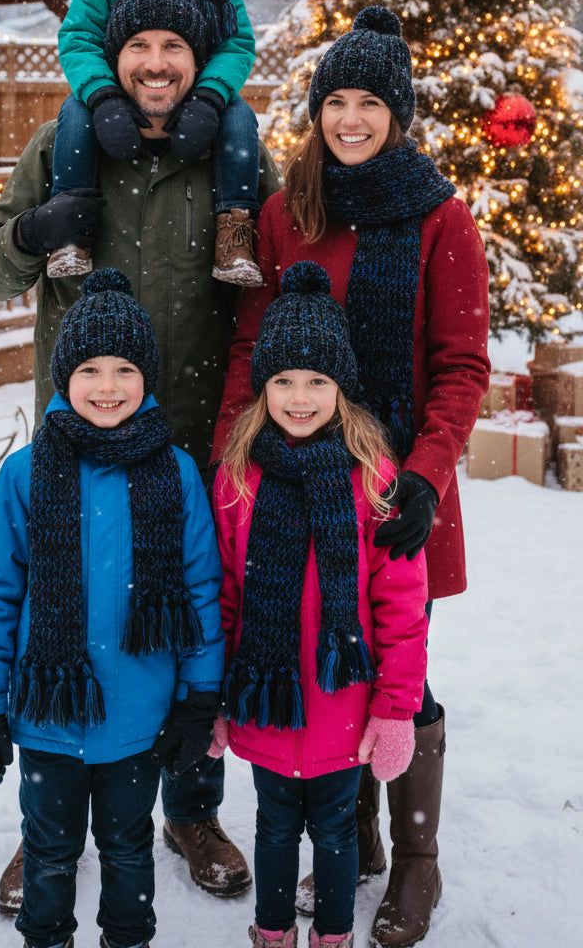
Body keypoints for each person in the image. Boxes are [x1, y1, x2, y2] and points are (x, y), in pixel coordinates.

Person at [0, 0, 282, 915]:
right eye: (139, 48)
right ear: (115, 58)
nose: (155, 65)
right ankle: (47, 826)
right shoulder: (58, 145)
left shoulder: (231, 153)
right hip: (79, 439)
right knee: (58, 603)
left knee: (192, 618)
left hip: (197, 435)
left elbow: (275, 279)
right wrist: (33, 231)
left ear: (197, 64)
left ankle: (189, 805)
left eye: (174, 51)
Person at [212, 4, 491, 948]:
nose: (352, 119)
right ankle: (352, 833)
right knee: (311, 646)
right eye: (337, 100)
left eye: (371, 102)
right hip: (287, 478)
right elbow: (255, 345)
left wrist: (424, 474)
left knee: (398, 653)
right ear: (319, 110)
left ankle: (414, 855)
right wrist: (228, 460)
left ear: (397, 114)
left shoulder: (442, 218)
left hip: (397, 488)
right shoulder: (292, 213)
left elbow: (461, 364)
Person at [0, 268, 225, 948]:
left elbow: (199, 592)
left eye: (125, 369)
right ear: (62, 376)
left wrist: (200, 700)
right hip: (47, 714)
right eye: (90, 369)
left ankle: (127, 938)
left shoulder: (176, 472)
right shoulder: (25, 474)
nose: (107, 387)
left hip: (139, 719)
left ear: (149, 377)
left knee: (128, 851)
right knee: (48, 851)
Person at [209, 260, 429, 948]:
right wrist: (211, 695)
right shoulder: (239, 481)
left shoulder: (374, 480)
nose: (299, 398)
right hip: (265, 706)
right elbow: (222, 597)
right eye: (282, 381)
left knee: (336, 832)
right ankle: (271, 932)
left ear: (342, 388)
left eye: (316, 382)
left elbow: (401, 607)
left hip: (345, 706)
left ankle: (332, 937)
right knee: (273, 827)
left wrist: (396, 710)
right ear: (262, 388)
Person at [48, 0, 263, 288]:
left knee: (241, 118)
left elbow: (236, 41)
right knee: (72, 113)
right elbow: (79, 37)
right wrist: (103, 98)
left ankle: (235, 232)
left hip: (192, 93)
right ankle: (70, 227)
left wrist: (209, 99)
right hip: (120, 93)